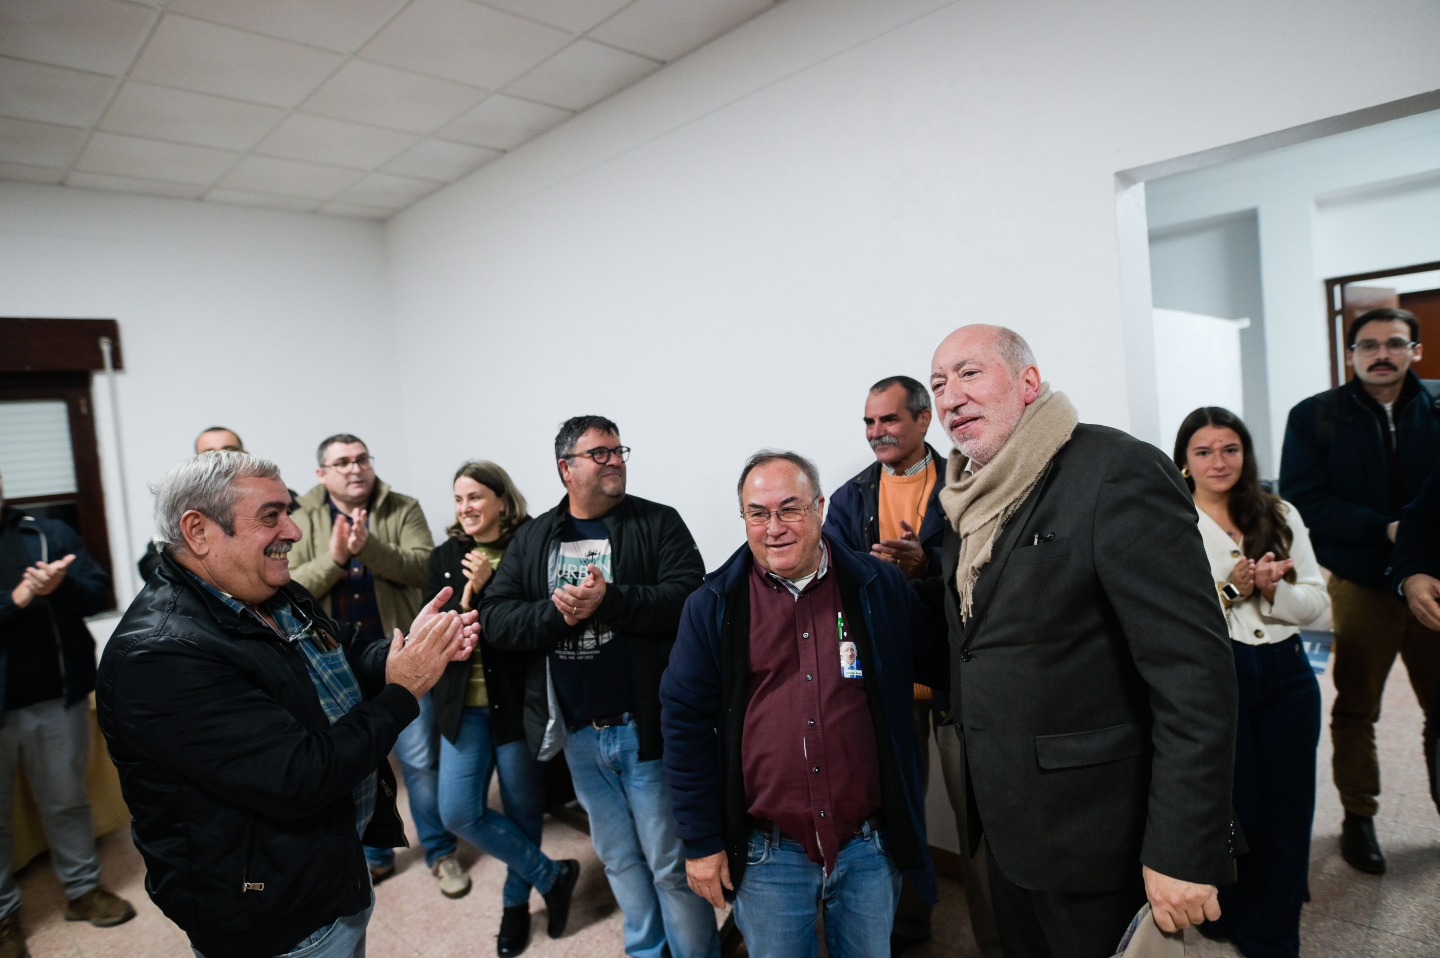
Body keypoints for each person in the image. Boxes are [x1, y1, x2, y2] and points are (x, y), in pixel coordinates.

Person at [930, 325, 1237, 957]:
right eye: (937, 384)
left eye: (968, 373)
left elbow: (1192, 673)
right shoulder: (966, 498)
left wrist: (1182, 848)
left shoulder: (1114, 471)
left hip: (1096, 838)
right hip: (1008, 833)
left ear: (1029, 383)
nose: (950, 397)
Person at [96, 451, 476, 958]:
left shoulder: (271, 589)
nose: (294, 531)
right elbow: (300, 776)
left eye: (289, 512)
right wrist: (403, 690)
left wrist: (404, 652)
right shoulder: (159, 655)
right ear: (198, 530)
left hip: (329, 871)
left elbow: (344, 652)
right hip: (274, 920)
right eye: (270, 516)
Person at [661, 451, 938, 958]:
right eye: (758, 513)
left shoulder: (877, 587)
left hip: (869, 846)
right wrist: (700, 843)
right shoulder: (713, 606)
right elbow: (684, 726)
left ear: (821, 508)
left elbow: (939, 658)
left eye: (789, 509)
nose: (774, 528)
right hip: (769, 852)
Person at [480, 416, 720, 958]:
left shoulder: (658, 522)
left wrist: (609, 600)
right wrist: (559, 615)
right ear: (566, 468)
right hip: (579, 734)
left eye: (618, 450)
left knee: (670, 864)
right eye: (600, 453)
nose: (615, 461)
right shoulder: (536, 537)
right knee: (618, 859)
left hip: (646, 729)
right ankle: (646, 950)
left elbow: (690, 597)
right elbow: (496, 618)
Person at [822, 375, 1000, 958]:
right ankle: (907, 927)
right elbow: (832, 585)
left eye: (889, 419)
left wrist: (928, 566)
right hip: (883, 680)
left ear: (924, 420)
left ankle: (997, 940)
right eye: (869, 422)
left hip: (954, 675)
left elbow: (991, 568)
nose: (877, 432)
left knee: (977, 819)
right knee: (894, 811)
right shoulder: (849, 498)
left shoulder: (970, 483)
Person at [1279, 306, 1440, 874]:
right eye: (1368, 345)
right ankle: (1359, 817)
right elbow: (1304, 501)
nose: (1381, 354)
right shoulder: (1315, 416)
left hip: (1436, 584)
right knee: (1356, 710)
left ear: (1416, 350)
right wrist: (1386, 530)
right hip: (1361, 582)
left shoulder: (1439, 406)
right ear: (1350, 355)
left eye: (1395, 343)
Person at [1174, 407, 1328, 957]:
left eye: (1230, 449)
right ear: (1185, 462)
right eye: (1204, 451)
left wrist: (1273, 590)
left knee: (1290, 809)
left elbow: (1316, 603)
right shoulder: (1173, 520)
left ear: (1247, 454)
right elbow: (1172, 617)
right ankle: (1229, 912)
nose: (1219, 461)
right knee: (1236, 807)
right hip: (1221, 675)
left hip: (1288, 674)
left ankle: (1273, 932)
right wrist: (1232, 592)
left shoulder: (1278, 511)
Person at [288, 434, 464, 896]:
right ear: (321, 473)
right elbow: (288, 588)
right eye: (343, 462)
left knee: (420, 762)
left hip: (400, 656)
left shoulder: (402, 507)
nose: (355, 468)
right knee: (353, 765)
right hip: (332, 665)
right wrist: (337, 558)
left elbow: (424, 568)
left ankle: (440, 850)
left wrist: (369, 548)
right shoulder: (298, 517)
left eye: (362, 459)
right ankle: (375, 854)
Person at [428, 461, 579, 957]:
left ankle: (515, 904)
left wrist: (492, 584)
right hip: (463, 708)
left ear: (500, 500)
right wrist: (471, 591)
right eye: (458, 499)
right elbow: (440, 632)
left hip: (517, 705)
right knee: (458, 812)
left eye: (474, 496)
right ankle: (551, 875)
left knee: (523, 810)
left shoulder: (529, 548)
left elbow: (533, 626)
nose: (465, 507)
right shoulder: (445, 556)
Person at [0, 471, 134, 958]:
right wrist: (16, 599)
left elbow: (96, 593)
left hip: (58, 698)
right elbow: (16, 602)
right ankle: (4, 918)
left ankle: (83, 891)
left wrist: (59, 586)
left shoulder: (47, 532)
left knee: (66, 801)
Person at [139, 426, 248, 583]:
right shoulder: (185, 506)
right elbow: (151, 562)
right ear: (197, 462)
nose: (221, 459)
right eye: (209, 454)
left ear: (245, 455)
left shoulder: (273, 496)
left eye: (230, 450)